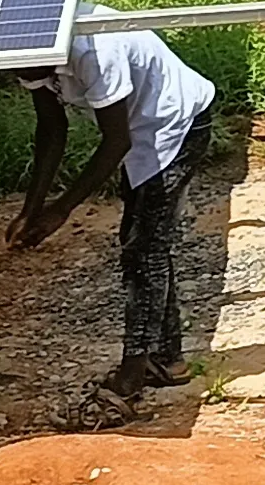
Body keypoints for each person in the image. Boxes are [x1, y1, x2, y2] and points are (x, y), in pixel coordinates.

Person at [11, 29, 219, 409]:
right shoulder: (26, 45)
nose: (25, 74)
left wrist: (61, 209)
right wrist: (32, 207)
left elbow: (115, 141)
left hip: (176, 123)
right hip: (138, 128)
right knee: (143, 241)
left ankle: (132, 375)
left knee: (144, 248)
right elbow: (52, 127)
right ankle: (168, 358)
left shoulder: (94, 48)